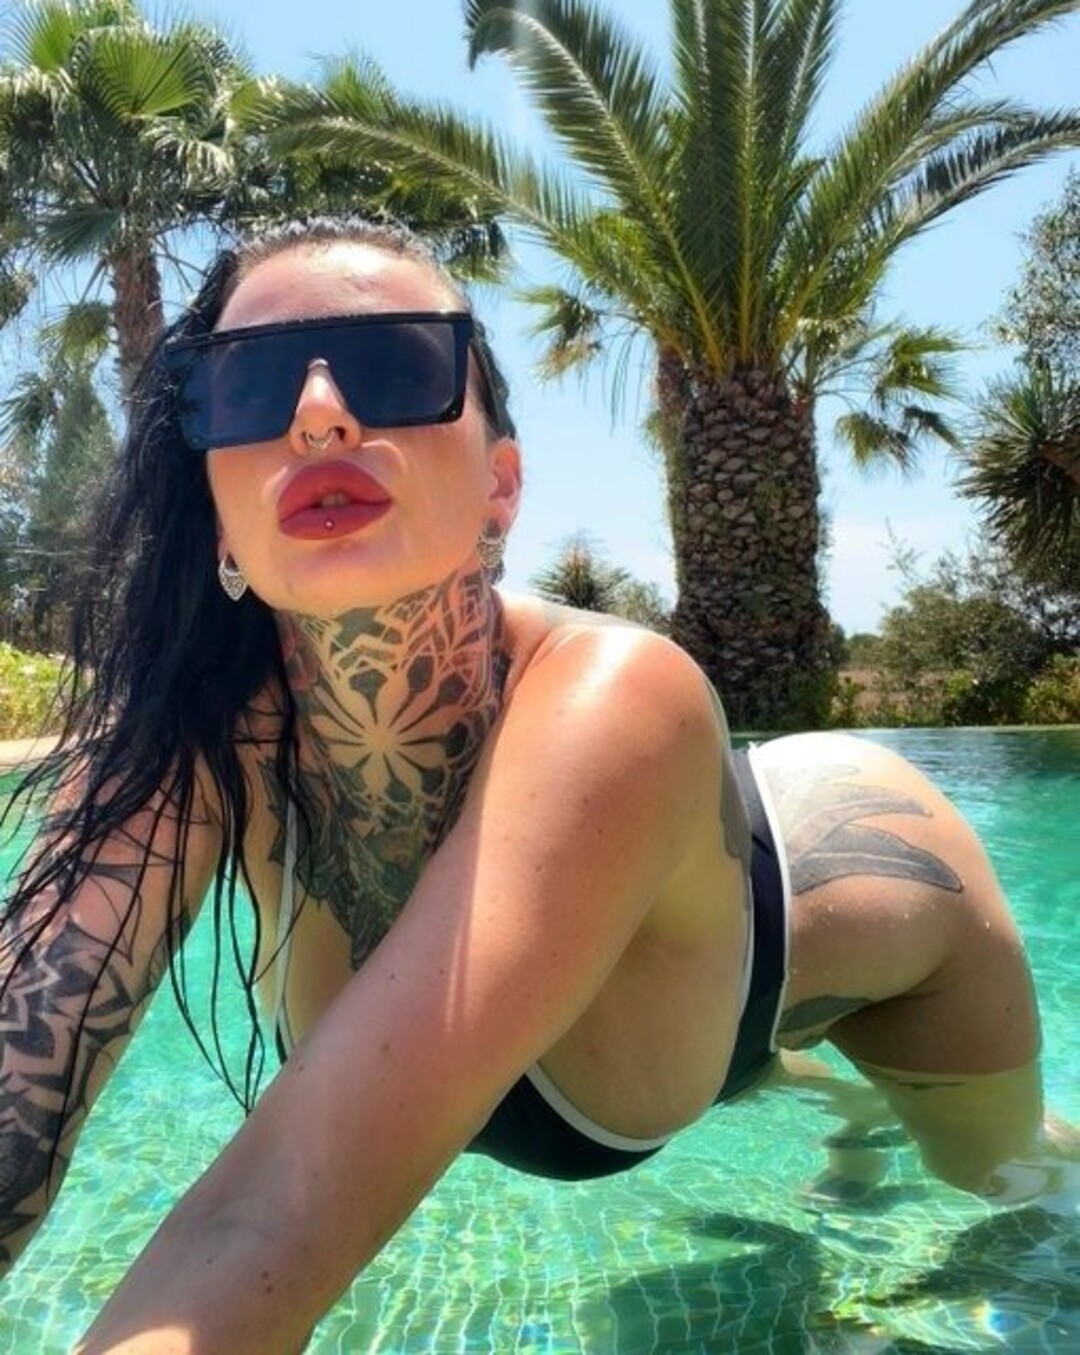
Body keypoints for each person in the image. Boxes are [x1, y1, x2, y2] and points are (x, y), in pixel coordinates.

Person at [0, 216, 1071, 1355]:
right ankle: (820, 1094)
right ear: (218, 507)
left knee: (1007, 1184)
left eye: (396, 366)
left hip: (865, 899)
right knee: (742, 1061)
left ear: (500, 487)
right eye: (250, 386)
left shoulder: (622, 700)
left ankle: (850, 1096)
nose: (318, 412)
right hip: (670, 972)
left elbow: (271, 1212)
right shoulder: (184, 746)